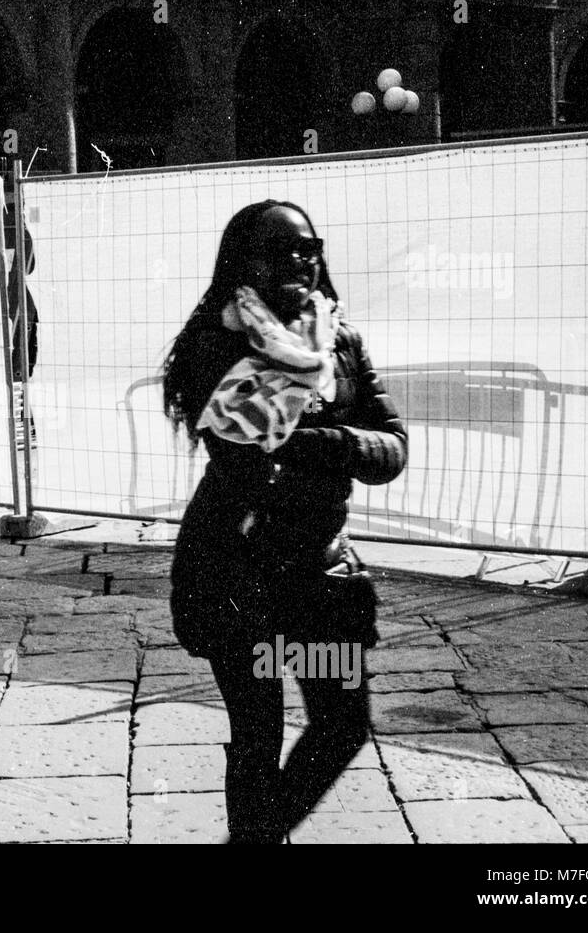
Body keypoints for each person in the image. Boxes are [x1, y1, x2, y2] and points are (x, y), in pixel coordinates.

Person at [161, 200, 408, 843]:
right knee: (258, 731)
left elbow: (392, 447)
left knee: (341, 725)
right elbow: (242, 455)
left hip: (320, 566)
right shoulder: (217, 340)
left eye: (310, 248)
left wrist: (318, 443)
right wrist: (335, 445)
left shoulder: (339, 339)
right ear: (244, 262)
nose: (302, 260)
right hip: (236, 566)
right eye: (282, 250)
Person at [2, 194, 38, 448]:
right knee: (21, 374)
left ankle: (23, 432)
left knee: (15, 375)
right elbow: (30, 264)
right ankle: (25, 432)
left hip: (13, 312)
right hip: (23, 311)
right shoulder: (18, 231)